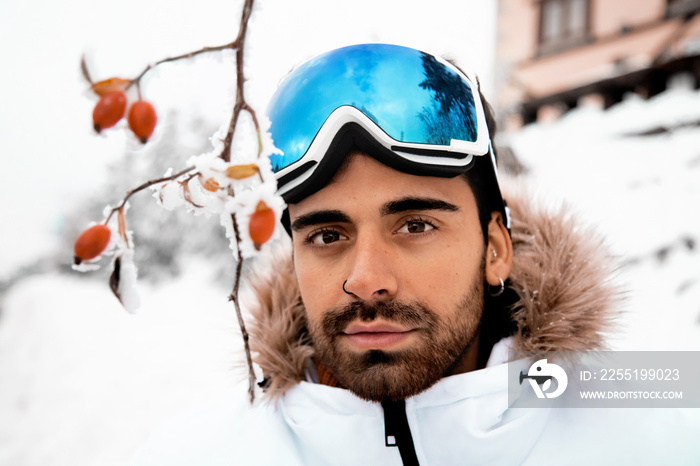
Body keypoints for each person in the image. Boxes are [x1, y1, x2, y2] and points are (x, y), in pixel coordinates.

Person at [131, 44, 700, 465]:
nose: (367, 281)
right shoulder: (195, 452)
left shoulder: (657, 424)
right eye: (328, 236)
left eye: (416, 225)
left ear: (495, 248)